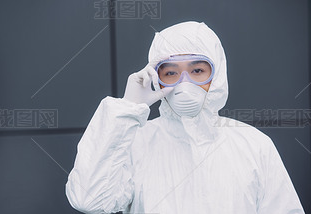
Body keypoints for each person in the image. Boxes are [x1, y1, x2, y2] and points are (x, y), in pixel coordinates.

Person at [65, 21, 305, 214]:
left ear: (217, 74)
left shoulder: (253, 145)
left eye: (197, 71)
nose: (185, 83)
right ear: (156, 78)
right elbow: (90, 200)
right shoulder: (135, 142)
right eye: (170, 73)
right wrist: (127, 108)